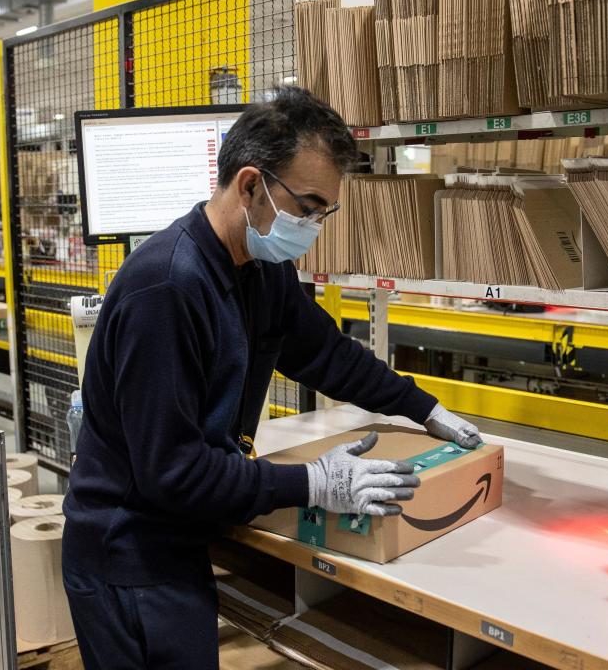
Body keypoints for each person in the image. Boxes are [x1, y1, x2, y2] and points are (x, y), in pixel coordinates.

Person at [62, 87, 481, 669]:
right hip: (129, 552)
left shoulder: (261, 268)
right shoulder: (167, 289)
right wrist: (312, 483)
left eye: (323, 213)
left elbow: (326, 355)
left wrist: (422, 408)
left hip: (179, 534)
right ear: (251, 185)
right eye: (307, 207)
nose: (313, 227)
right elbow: (173, 472)